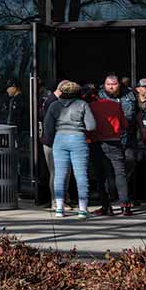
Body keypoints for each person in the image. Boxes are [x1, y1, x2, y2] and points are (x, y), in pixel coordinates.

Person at [43, 80, 96, 218]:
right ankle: (83, 209)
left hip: (59, 139)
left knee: (59, 174)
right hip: (78, 139)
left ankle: (59, 208)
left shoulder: (54, 106)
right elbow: (91, 126)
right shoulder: (82, 105)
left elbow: (48, 127)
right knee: (81, 175)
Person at [88, 83, 132, 216]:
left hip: (97, 143)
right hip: (114, 142)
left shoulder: (90, 107)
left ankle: (106, 206)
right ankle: (125, 205)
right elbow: (124, 124)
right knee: (120, 174)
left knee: (101, 176)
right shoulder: (114, 105)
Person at [39, 83, 62, 206]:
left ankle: (60, 198)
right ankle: (56, 200)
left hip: (52, 140)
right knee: (56, 171)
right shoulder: (52, 103)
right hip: (52, 141)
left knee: (58, 171)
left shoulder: (51, 101)